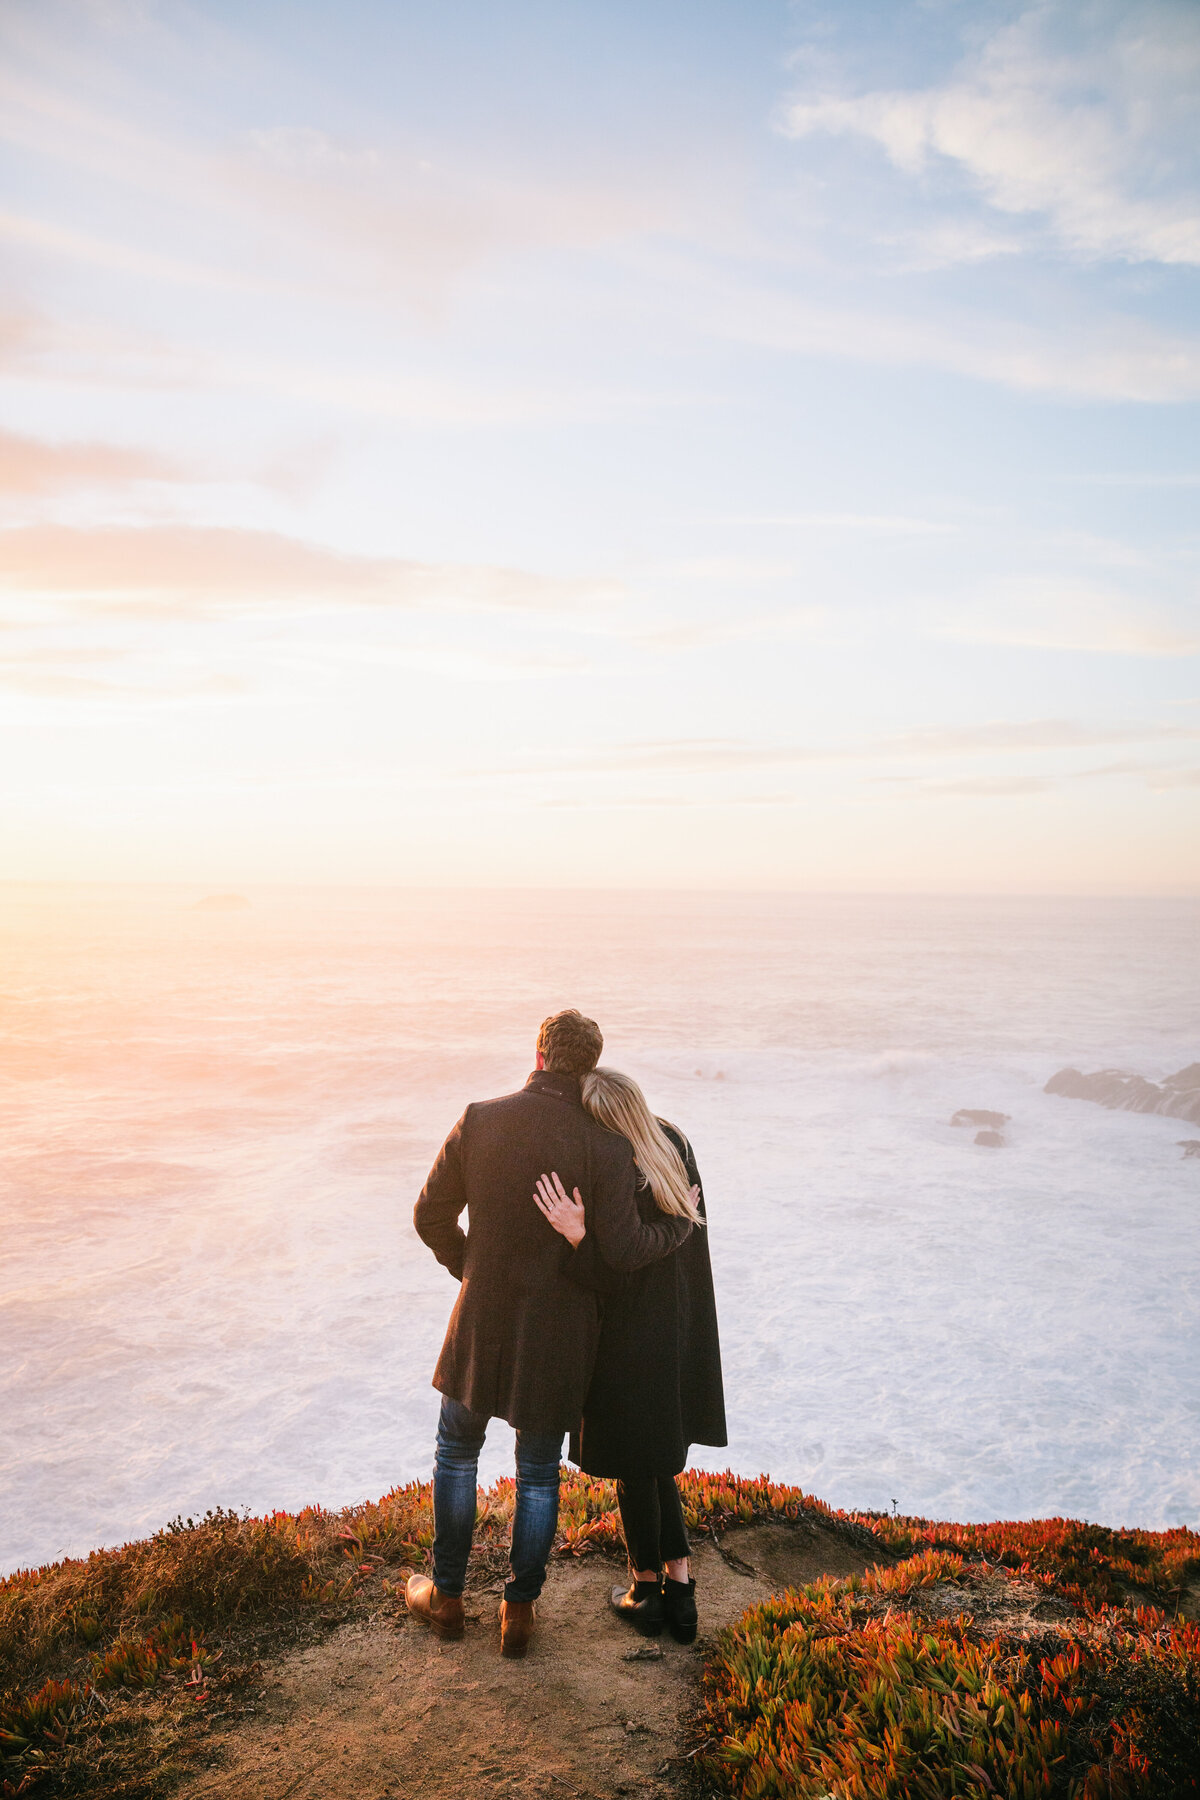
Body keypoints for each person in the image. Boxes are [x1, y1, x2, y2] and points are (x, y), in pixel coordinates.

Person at [408, 1010, 692, 1658]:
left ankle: (447, 1596)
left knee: (456, 1453)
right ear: (589, 1067)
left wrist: (469, 1268)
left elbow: (428, 1215)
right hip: (560, 1335)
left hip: (481, 1322)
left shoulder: (481, 1118)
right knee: (536, 1474)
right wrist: (677, 1226)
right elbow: (620, 1253)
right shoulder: (606, 1145)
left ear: (537, 1055)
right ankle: (519, 1612)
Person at [534, 1067, 726, 1643]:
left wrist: (574, 1238)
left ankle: (646, 1591)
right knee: (654, 1459)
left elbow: (617, 1267)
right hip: (679, 1324)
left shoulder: (617, 1161)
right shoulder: (674, 1144)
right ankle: (682, 1592)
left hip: (627, 1332)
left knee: (632, 1463)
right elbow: (675, 1244)